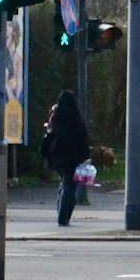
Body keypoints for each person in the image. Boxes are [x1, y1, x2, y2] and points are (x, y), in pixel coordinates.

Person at [40, 91, 90, 228]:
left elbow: (50, 132)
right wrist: (86, 156)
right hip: (73, 155)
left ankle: (61, 213)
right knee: (69, 186)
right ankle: (63, 217)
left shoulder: (55, 115)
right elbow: (82, 138)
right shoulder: (75, 116)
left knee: (63, 183)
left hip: (57, 153)